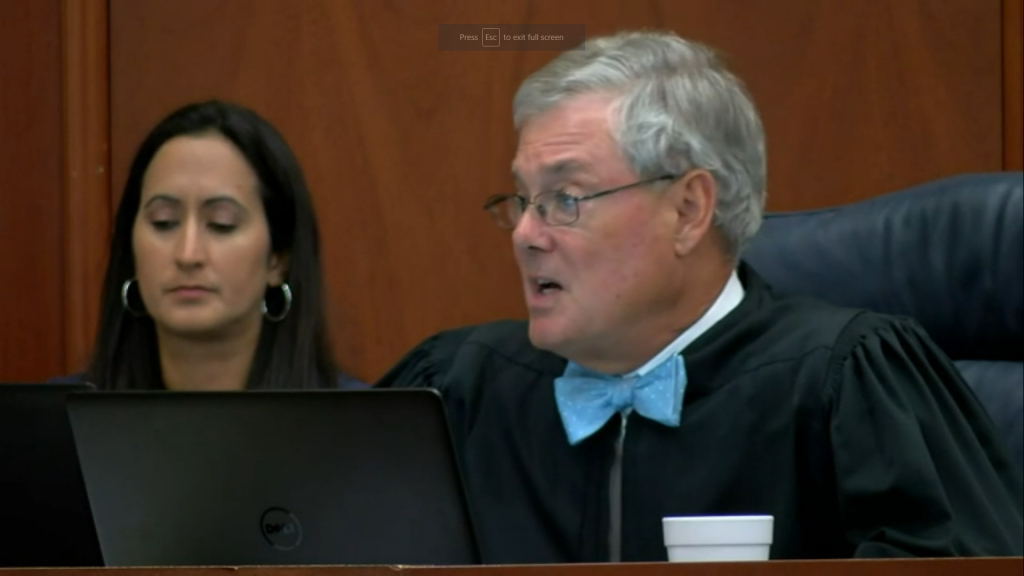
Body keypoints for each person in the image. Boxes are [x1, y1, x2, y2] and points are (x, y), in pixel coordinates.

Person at [376, 31, 1023, 562]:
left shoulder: (844, 380)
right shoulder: (456, 388)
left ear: (688, 209)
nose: (525, 234)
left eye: (565, 199)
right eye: (523, 199)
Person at [61, 100, 362, 391]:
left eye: (221, 224)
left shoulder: (356, 421)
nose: (188, 254)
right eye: (164, 222)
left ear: (278, 258)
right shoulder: (60, 417)